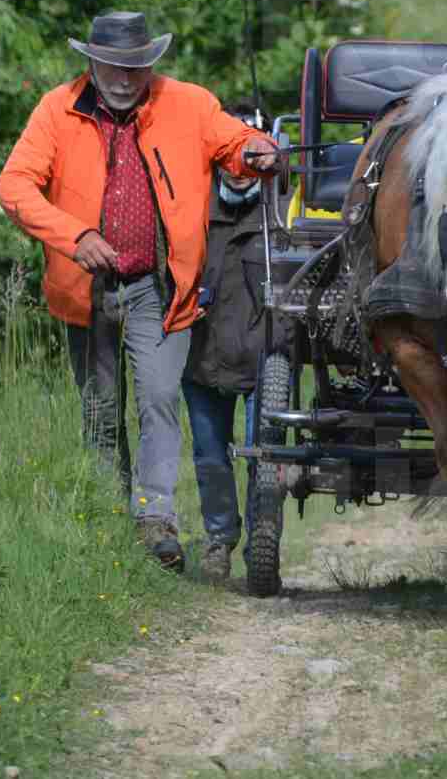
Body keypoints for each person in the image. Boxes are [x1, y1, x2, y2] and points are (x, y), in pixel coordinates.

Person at [0, 11, 278, 572]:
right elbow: (14, 185)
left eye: (138, 67)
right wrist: (73, 235)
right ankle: (108, 517)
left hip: (158, 283)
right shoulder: (57, 108)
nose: (126, 78)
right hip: (85, 284)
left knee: (156, 398)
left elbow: (236, 140)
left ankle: (155, 519)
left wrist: (256, 151)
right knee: (101, 409)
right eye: (115, 66)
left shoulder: (188, 103)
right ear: (92, 62)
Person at [182, 99, 291, 583]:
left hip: (266, 355)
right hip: (200, 355)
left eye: (254, 152)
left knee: (265, 457)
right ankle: (220, 541)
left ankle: (262, 548)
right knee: (209, 457)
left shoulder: (284, 209)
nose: (244, 167)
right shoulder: (189, 204)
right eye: (234, 152)